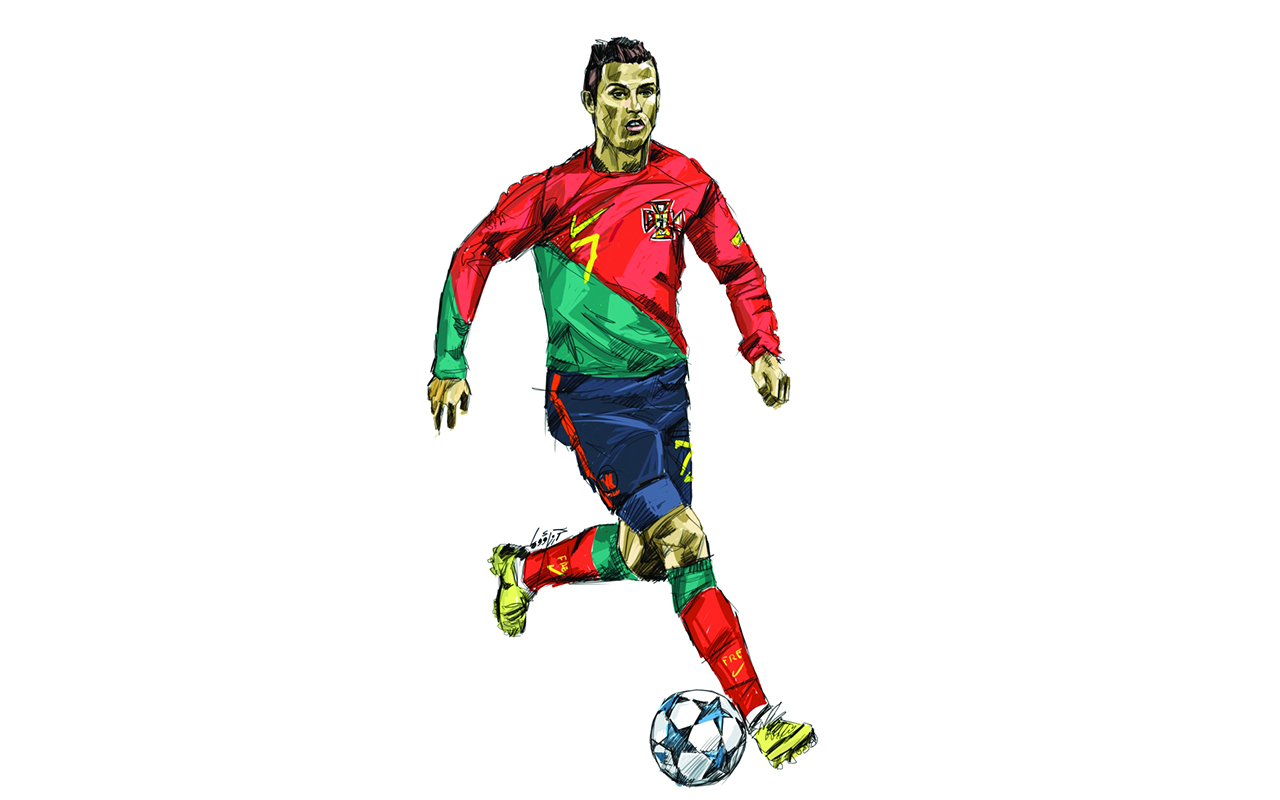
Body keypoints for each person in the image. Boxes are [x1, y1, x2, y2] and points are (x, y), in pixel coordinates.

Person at [429, 37, 815, 770]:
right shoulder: (552, 193)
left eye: (647, 91)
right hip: (592, 399)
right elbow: (474, 253)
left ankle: (524, 571)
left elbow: (736, 265)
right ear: (588, 102)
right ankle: (761, 713)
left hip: (666, 390)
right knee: (685, 541)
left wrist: (761, 346)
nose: (635, 107)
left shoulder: (685, 182)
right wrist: (450, 359)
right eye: (618, 93)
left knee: (649, 556)